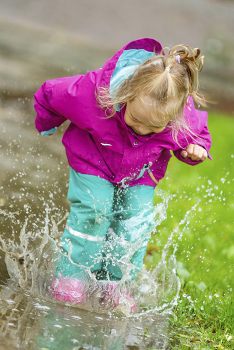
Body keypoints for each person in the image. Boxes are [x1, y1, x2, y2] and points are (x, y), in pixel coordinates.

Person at [34, 38, 211, 312]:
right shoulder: (93, 93)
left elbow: (197, 134)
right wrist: (46, 122)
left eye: (153, 127)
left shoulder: (179, 114)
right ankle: (72, 278)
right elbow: (51, 93)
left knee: (135, 224)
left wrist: (196, 148)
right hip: (92, 158)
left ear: (173, 117)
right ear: (126, 95)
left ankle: (114, 284)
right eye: (136, 120)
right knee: (95, 211)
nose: (141, 130)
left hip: (142, 171)